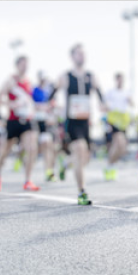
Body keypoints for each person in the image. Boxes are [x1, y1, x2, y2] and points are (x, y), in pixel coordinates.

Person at [49, 43, 105, 205]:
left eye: (83, 54)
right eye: (78, 54)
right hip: (71, 120)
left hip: (86, 121)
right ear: (72, 57)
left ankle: (65, 163)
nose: (82, 56)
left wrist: (102, 104)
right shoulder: (65, 76)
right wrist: (49, 104)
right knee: (80, 150)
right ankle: (82, 192)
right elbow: (52, 92)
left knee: (84, 157)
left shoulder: (91, 76)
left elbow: (99, 92)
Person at [0, 56, 40, 192]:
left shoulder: (28, 82)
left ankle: (28, 180)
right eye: (23, 64)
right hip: (13, 121)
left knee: (32, 148)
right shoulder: (10, 81)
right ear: (17, 65)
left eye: (27, 64)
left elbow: (30, 102)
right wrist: (10, 104)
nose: (25, 67)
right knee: (4, 152)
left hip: (28, 120)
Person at [104, 73, 132, 181]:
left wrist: (130, 101)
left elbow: (131, 104)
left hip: (123, 120)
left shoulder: (126, 92)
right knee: (119, 142)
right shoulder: (111, 92)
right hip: (113, 120)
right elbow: (104, 104)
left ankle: (111, 165)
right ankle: (110, 165)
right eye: (119, 80)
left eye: (122, 80)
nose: (120, 82)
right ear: (116, 80)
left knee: (121, 147)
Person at [32, 71, 57, 182]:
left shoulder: (49, 91)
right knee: (40, 147)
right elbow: (32, 105)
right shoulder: (35, 90)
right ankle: (46, 170)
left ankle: (49, 171)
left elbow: (53, 105)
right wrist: (42, 107)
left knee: (50, 146)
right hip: (38, 122)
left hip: (48, 122)